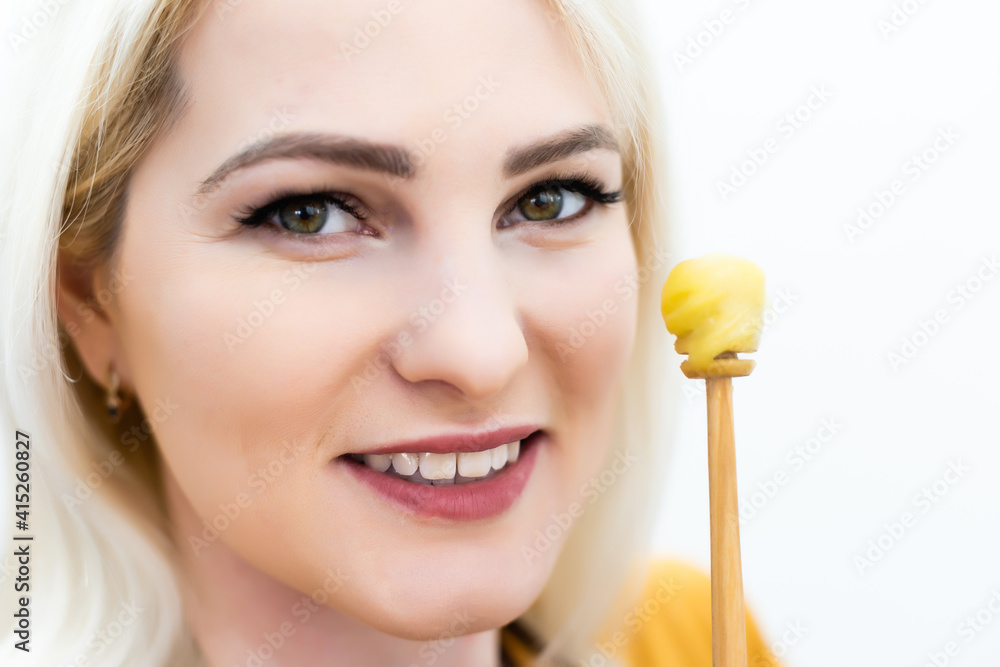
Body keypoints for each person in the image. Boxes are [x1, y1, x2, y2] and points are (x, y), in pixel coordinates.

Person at [0, 0, 780, 664]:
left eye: (550, 199)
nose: (481, 352)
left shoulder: (685, 637)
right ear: (87, 302)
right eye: (312, 213)